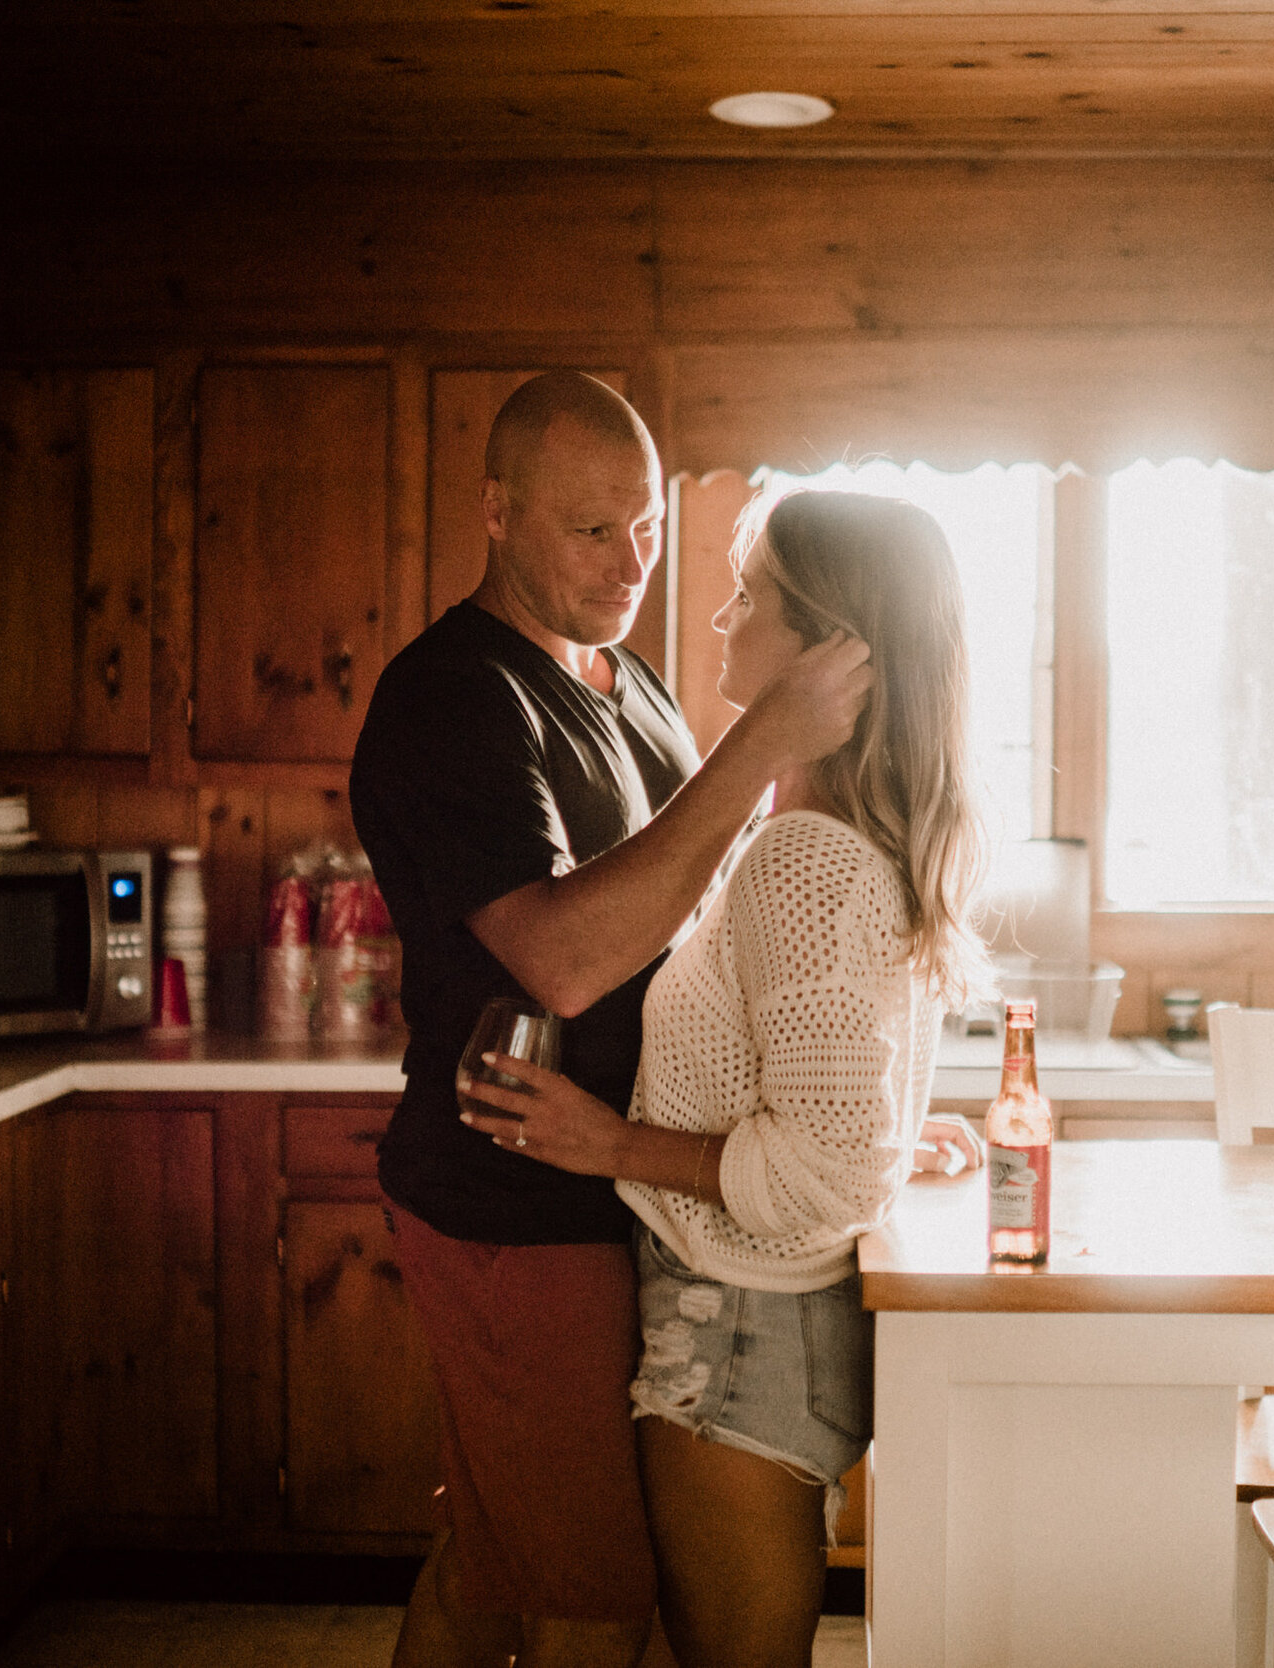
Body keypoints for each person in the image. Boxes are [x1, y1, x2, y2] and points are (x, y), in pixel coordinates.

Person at [349, 373, 876, 1668]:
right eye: (593, 530)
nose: (632, 559)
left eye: (643, 524)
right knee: (593, 1583)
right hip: (507, 1198)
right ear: (496, 511)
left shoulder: (625, 678)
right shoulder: (454, 699)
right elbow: (566, 960)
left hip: (600, 1189)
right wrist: (758, 746)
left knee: (495, 1553)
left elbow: (687, 914)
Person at [458, 488, 990, 1668]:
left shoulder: (803, 858)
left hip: (738, 1341)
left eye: (749, 597)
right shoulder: (822, 837)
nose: (715, 617)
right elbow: (836, 1118)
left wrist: (608, 1146)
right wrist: (894, 1137)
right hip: (755, 1329)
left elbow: (823, 1169)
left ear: (829, 650)